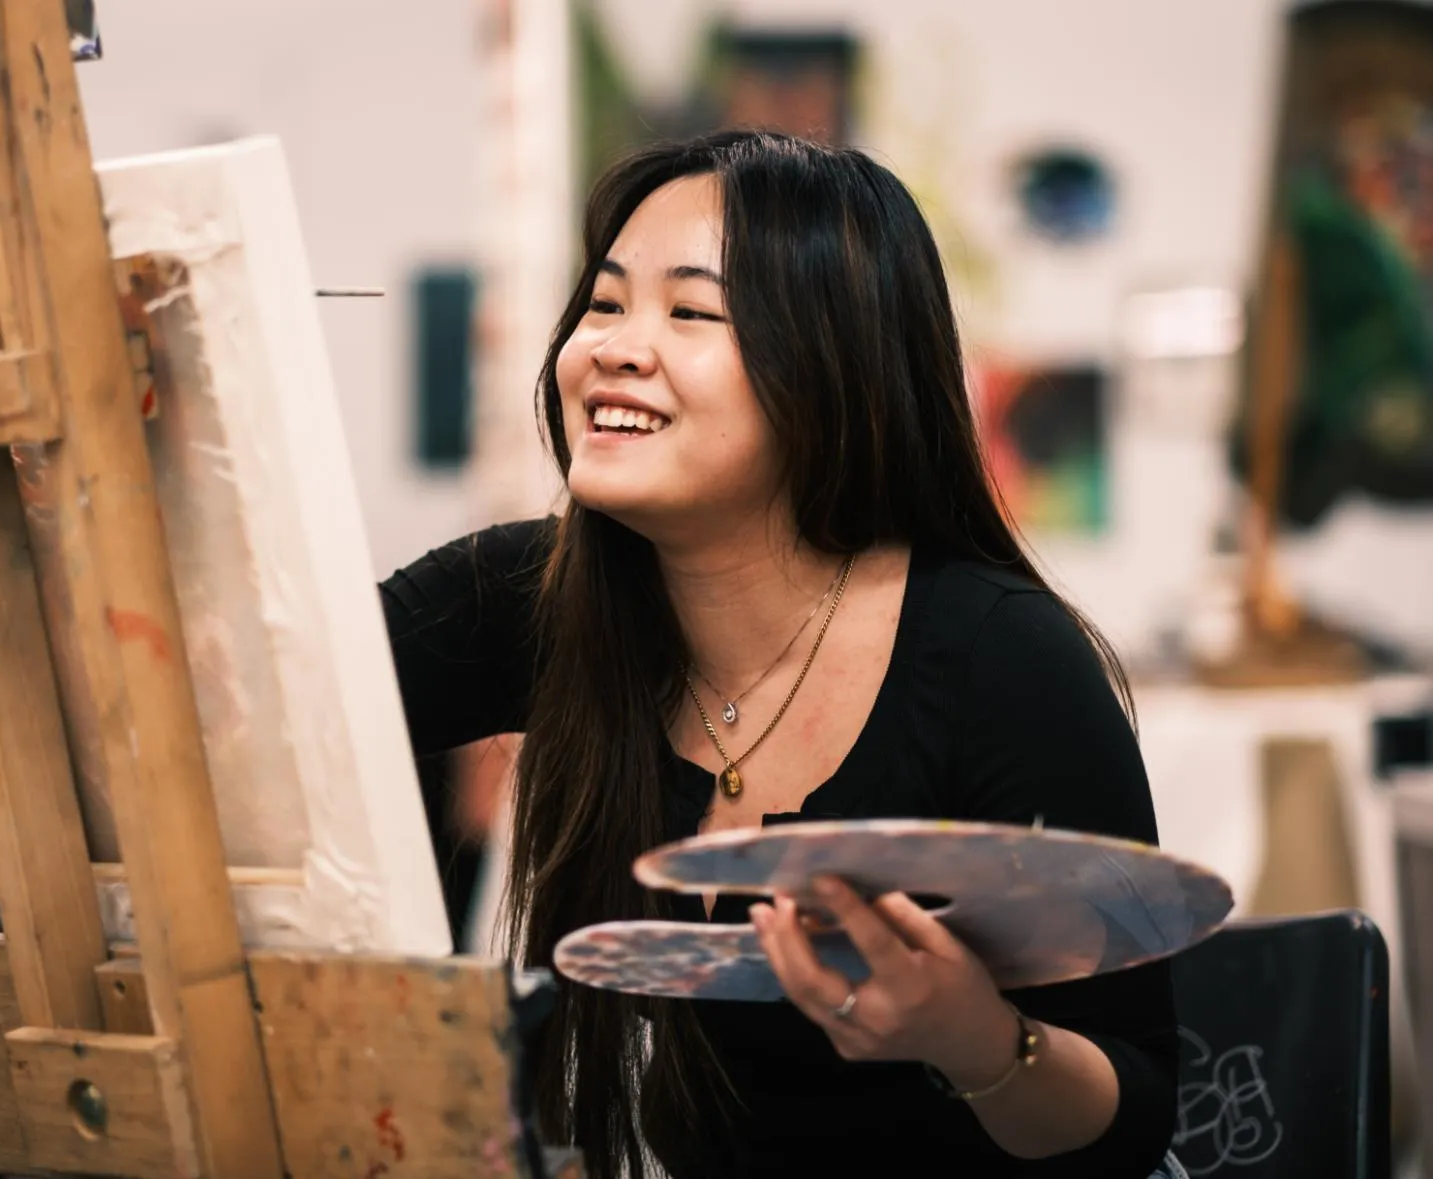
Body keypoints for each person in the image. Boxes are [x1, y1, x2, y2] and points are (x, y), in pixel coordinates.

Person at [380, 130, 1177, 1178]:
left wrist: (972, 1037)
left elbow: (1128, 1118)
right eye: (606, 302)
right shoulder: (527, 596)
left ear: (827, 369)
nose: (612, 346)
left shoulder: (1001, 658)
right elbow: (252, 705)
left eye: (690, 311)